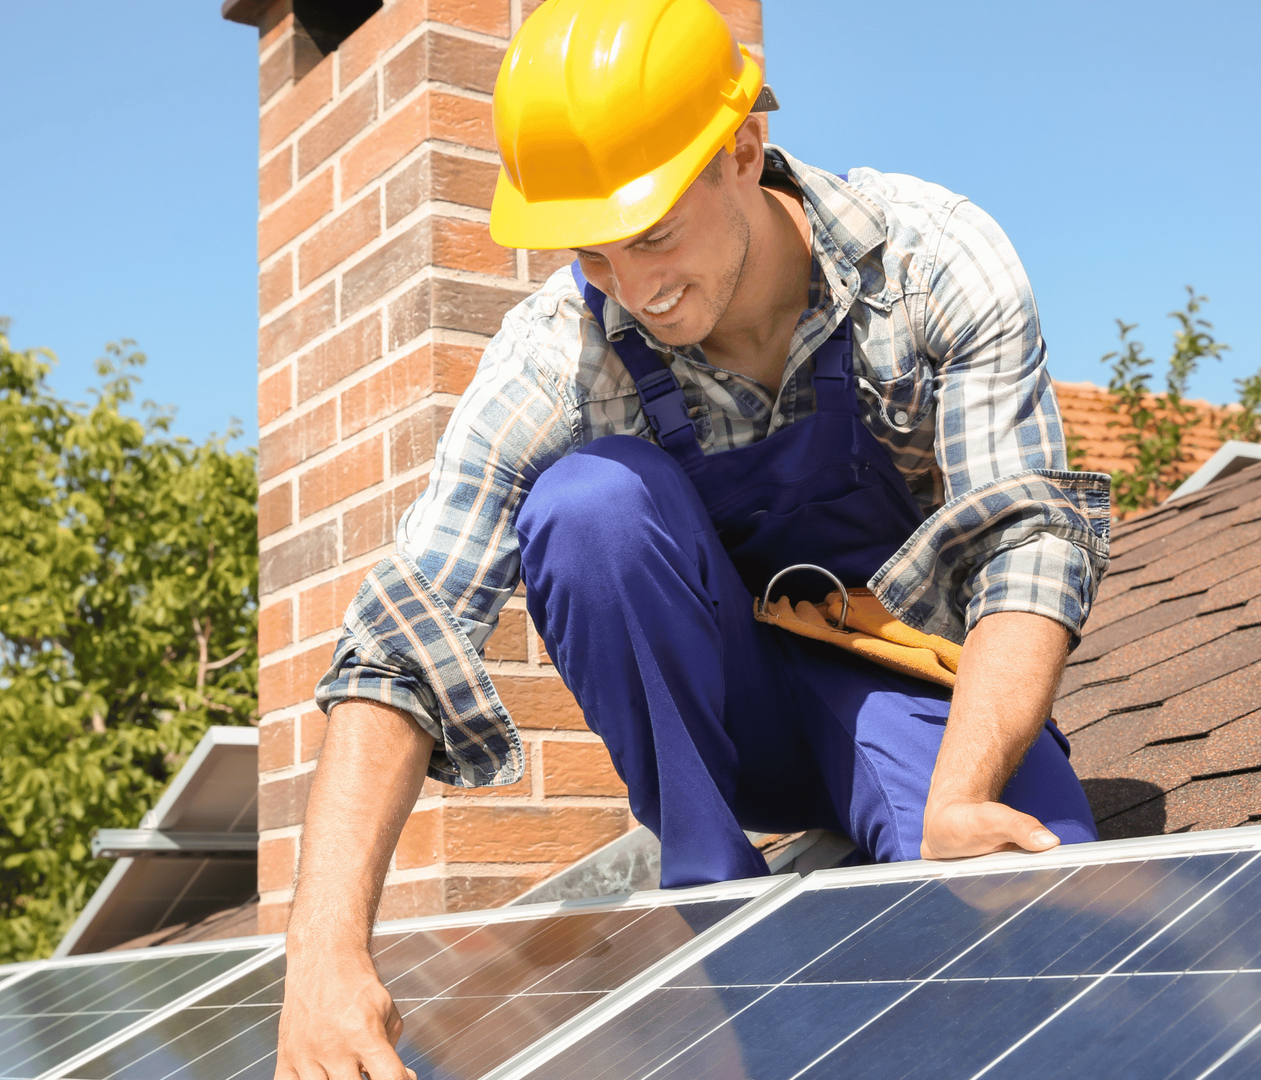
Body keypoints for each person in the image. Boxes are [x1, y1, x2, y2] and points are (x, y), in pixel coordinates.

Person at [273, 1, 1112, 1077]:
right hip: (734, 723)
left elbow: (1028, 543)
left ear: (743, 154)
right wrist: (325, 954)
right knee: (587, 508)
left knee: (1041, 943)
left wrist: (960, 798)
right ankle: (712, 892)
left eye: (654, 233)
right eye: (592, 255)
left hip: (915, 690)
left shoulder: (930, 263)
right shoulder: (558, 356)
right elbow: (405, 630)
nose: (636, 289)